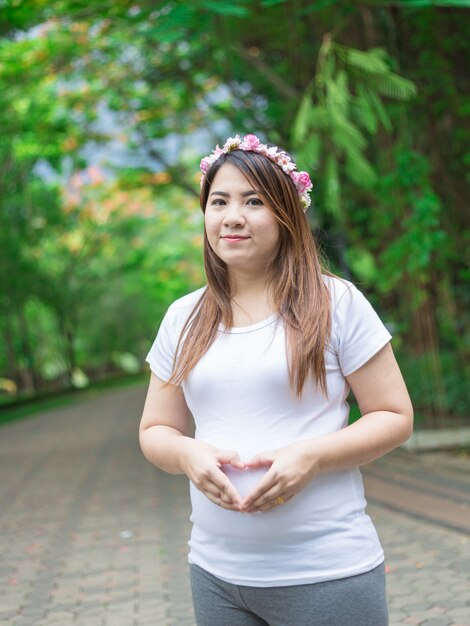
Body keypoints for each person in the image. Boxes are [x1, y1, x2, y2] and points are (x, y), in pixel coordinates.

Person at [139, 133, 413, 626]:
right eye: (219, 201)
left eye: (254, 201)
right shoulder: (183, 317)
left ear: (287, 214)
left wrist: (310, 455)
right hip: (216, 575)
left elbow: (393, 416)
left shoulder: (336, 303)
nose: (232, 216)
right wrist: (187, 454)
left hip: (326, 572)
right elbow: (155, 429)